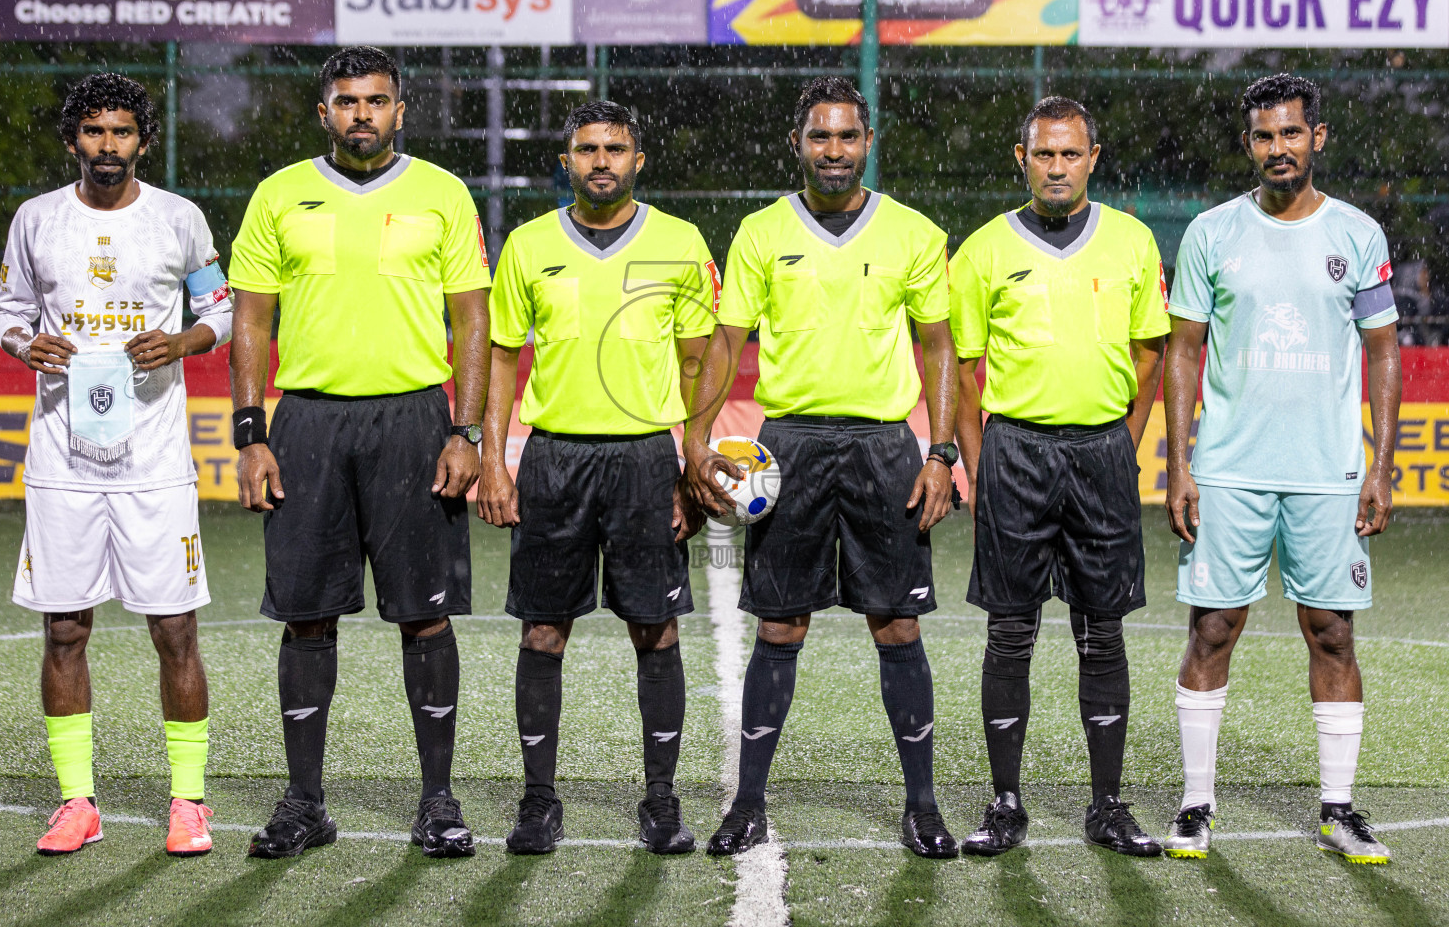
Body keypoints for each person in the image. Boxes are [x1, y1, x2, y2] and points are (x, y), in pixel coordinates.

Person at [684, 76, 961, 859]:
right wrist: (697, 439)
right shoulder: (761, 232)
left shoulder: (912, 232)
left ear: (867, 142)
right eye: (819, 137)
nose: (833, 151)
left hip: (883, 446)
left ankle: (922, 806)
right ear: (798, 143)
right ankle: (747, 804)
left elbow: (937, 347)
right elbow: (724, 344)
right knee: (781, 623)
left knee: (897, 623)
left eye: (846, 137)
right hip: (790, 448)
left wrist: (940, 451)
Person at [228, 46, 490, 860]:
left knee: (425, 614)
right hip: (307, 422)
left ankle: (438, 802)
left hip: (415, 421)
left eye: (377, 101)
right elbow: (251, 321)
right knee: (306, 615)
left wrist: (467, 429)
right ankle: (305, 803)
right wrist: (250, 434)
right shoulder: (279, 195)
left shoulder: (442, 194)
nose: (362, 114)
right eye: (347, 101)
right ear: (324, 113)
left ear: (400, 110)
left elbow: (472, 319)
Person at [1162, 74, 1401, 864]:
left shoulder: (1359, 235)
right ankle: (1197, 805)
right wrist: (1180, 464)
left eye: (1291, 134)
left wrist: (1382, 466)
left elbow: (1384, 353)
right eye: (1264, 137)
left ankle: (1339, 808)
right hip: (1229, 468)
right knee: (1213, 629)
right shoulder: (1210, 233)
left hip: (1328, 470)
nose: (1278, 149)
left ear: (1318, 138)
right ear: (1249, 145)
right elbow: (1184, 350)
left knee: (1332, 633)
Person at [0, 73, 231, 857]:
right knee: (64, 630)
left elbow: (219, 310)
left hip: (155, 461)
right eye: (93, 132)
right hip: (62, 460)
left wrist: (184, 342)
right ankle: (76, 803)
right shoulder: (36, 221)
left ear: (142, 141)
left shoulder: (179, 220)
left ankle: (188, 803)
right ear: (72, 142)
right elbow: (8, 317)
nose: (108, 146)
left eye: (121, 132)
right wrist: (29, 345)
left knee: (174, 630)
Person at [478, 100, 715, 855]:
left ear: (638, 159)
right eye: (587, 149)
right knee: (544, 631)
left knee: (656, 628)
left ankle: (662, 800)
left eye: (616, 148)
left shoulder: (680, 244)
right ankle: (539, 801)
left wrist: (691, 467)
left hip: (646, 458)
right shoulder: (528, 244)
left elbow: (697, 362)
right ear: (566, 159)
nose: (601, 161)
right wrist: (494, 457)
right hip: (554, 459)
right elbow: (503, 357)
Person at [948, 96, 1169, 858]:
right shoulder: (980, 250)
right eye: (1043, 154)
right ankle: (1006, 803)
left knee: (1101, 633)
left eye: (1070, 154)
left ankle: (1107, 805)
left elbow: (1151, 352)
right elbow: (966, 372)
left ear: (1093, 158)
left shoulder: (1133, 242)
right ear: (1021, 158)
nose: (1056, 167)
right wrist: (980, 465)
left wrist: (1123, 441)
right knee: (1010, 632)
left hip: (1102, 452)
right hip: (1016, 454)